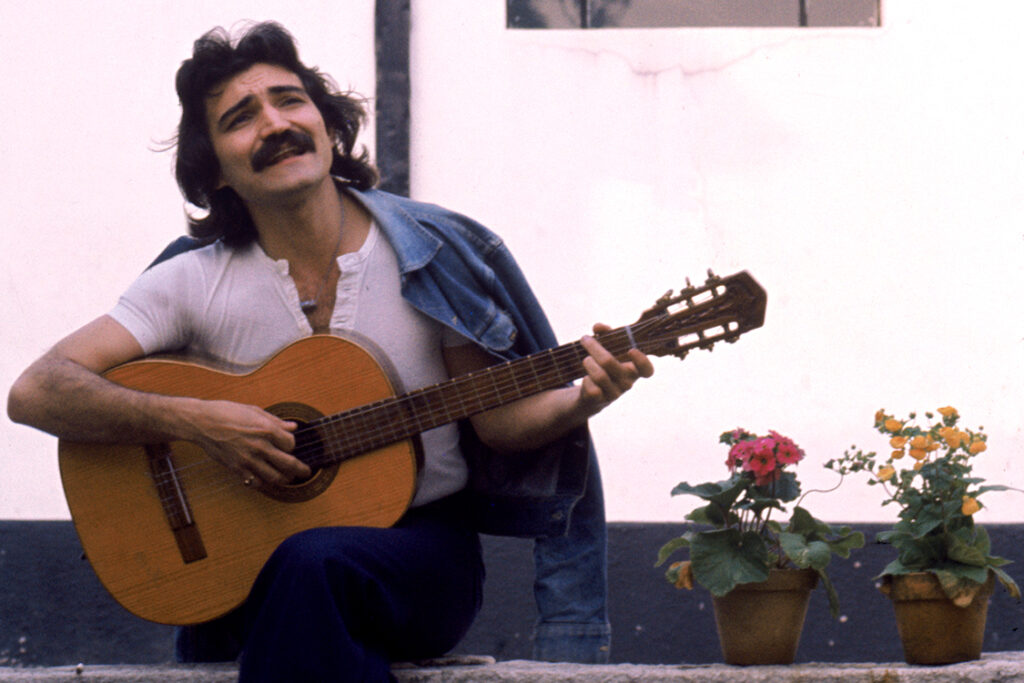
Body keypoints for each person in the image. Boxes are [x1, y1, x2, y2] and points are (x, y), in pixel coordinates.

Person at [6, 21, 652, 682]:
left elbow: (497, 421)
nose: (275, 123)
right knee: (306, 581)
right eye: (240, 118)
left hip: (420, 557)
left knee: (314, 563)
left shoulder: (426, 259)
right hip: (240, 570)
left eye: (290, 100)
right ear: (216, 170)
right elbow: (36, 388)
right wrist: (197, 420)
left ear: (327, 124)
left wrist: (583, 399)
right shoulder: (193, 281)